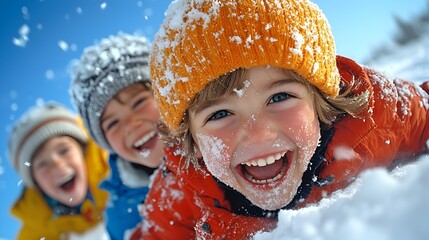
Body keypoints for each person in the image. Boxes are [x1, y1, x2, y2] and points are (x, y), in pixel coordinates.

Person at [140, 0, 429, 239]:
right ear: (192, 139)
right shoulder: (181, 187)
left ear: (319, 100)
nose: (258, 135)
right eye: (219, 114)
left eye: (279, 98)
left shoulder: (376, 112)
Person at [70, 33, 165, 240]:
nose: (131, 124)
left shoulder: (217, 144)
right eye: (112, 123)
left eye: (138, 102)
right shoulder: (123, 215)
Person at [8, 102, 110, 240]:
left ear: (83, 151)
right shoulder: (38, 222)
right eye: (42, 164)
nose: (57, 165)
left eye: (64, 150)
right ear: (35, 182)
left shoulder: (113, 169)